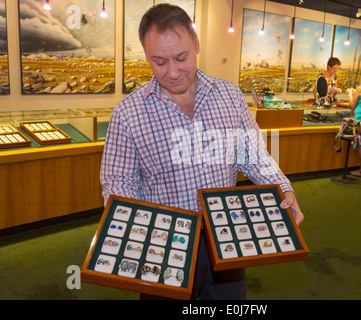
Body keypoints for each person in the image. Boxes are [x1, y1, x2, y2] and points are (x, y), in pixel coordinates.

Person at [100, 4, 304, 300]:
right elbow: (119, 184)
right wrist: (133, 229)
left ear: (195, 44)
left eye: (181, 58)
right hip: (164, 246)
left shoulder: (230, 95)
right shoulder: (127, 113)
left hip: (227, 239)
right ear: (146, 56)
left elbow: (254, 155)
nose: (172, 72)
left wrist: (285, 189)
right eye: (159, 61)